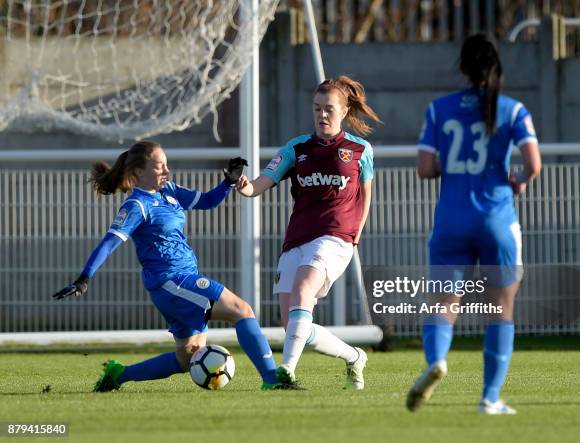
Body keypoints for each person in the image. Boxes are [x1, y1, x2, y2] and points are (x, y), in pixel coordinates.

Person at [52, 141, 292, 391]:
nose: (166, 171)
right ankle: (272, 379)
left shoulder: (171, 191)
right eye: (159, 167)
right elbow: (109, 243)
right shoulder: (136, 206)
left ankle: (118, 375)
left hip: (181, 280)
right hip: (171, 282)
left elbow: (208, 201)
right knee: (242, 310)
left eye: (167, 164)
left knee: (187, 357)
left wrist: (228, 183)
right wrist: (84, 278)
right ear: (138, 173)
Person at [406, 34, 541, 414]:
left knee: (443, 303)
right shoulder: (513, 110)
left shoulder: (439, 109)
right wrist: (518, 181)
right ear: (497, 67)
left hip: (452, 220)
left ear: (463, 69)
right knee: (501, 309)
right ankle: (490, 398)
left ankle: (436, 360)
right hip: (497, 220)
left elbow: (425, 168)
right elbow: (533, 164)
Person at [235, 75, 381, 389]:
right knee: (295, 326)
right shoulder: (296, 148)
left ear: (343, 112)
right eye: (317, 108)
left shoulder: (360, 150)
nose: (322, 115)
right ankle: (354, 356)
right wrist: (246, 187)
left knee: (304, 288)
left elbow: (366, 194)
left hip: (335, 237)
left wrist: (356, 233)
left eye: (329, 109)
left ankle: (285, 371)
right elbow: (263, 181)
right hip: (297, 238)